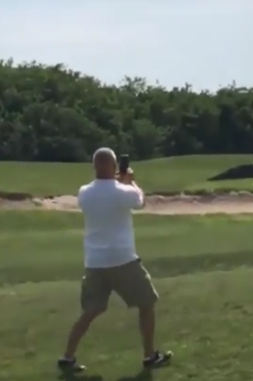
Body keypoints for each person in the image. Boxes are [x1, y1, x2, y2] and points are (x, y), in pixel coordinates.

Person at [58, 147, 173, 372]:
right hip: (123, 259)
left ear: (94, 167)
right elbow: (140, 201)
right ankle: (150, 355)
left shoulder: (84, 192)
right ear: (113, 166)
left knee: (90, 310)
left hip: (95, 262)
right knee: (147, 303)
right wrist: (130, 181)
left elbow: (102, 195)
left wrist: (120, 182)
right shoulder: (123, 191)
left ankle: (67, 357)